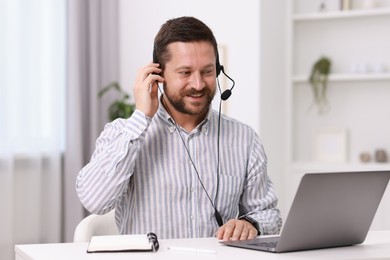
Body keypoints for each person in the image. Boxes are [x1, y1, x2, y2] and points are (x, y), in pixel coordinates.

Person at [76, 16, 282, 241]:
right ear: (158, 75)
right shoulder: (125, 134)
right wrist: (141, 117)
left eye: (207, 71)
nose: (198, 84)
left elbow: (268, 213)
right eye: (185, 72)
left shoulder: (244, 139)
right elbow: (94, 201)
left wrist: (250, 224)